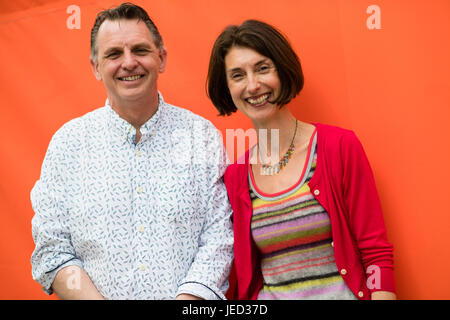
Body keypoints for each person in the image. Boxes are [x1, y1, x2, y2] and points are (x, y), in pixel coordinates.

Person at [31, 3, 233, 300]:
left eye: (140, 50)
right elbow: (53, 251)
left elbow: (219, 241)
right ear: (96, 67)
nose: (128, 63)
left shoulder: (200, 137)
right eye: (113, 54)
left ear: (161, 58)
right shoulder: (68, 144)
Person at [206, 19, 396, 300]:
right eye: (237, 75)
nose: (253, 85)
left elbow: (375, 251)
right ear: (228, 88)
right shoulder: (234, 176)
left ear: (282, 70)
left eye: (262, 68)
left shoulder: (339, 147)